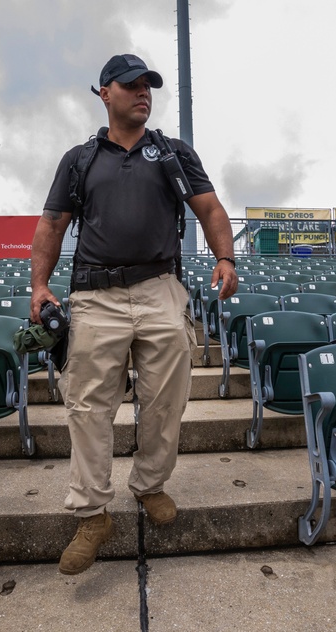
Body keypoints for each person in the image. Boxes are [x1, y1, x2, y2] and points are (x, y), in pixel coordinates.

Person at [30, 53, 238, 575]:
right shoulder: (80, 159)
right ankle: (92, 513)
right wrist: (39, 285)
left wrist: (225, 257)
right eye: (130, 85)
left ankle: (148, 485)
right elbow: (53, 222)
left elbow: (210, 208)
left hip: (160, 290)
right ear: (105, 92)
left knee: (167, 400)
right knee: (87, 407)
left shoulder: (172, 153)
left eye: (148, 85)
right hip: (95, 297)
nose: (142, 92)